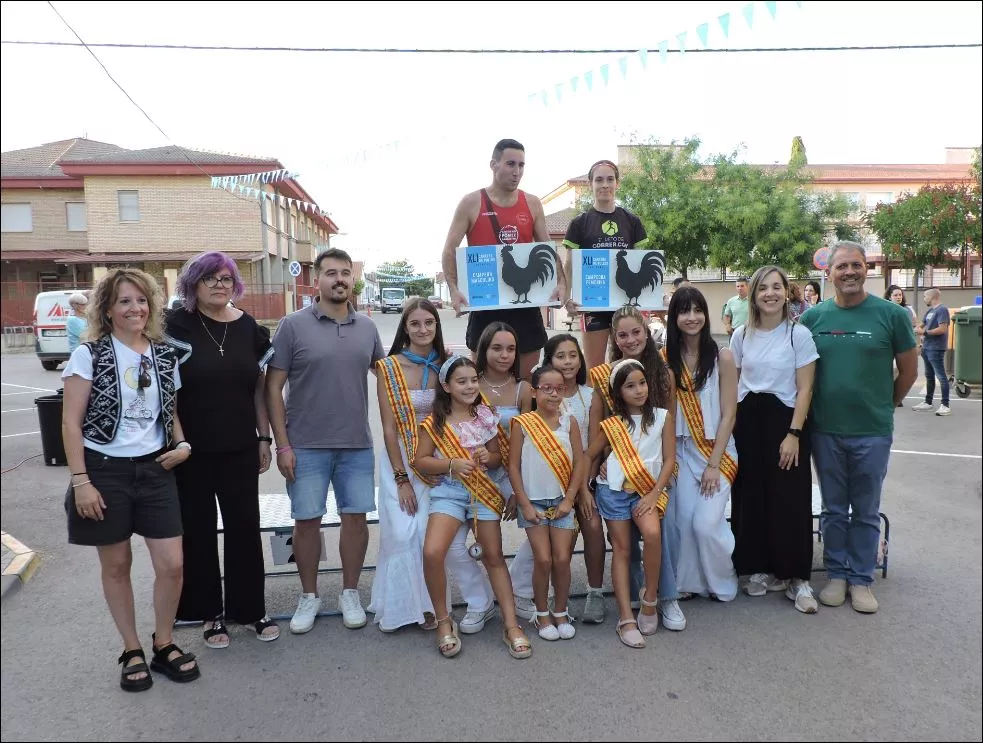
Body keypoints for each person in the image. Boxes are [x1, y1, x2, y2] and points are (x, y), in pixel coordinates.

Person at [61, 268, 198, 692]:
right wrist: (81, 480)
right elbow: (70, 422)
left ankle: (164, 643)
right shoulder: (91, 354)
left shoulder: (163, 353)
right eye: (124, 301)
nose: (134, 308)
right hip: (105, 470)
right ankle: (132, 648)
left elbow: (170, 410)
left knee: (172, 565)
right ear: (108, 308)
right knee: (117, 565)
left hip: (156, 470)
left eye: (141, 300)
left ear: (151, 305)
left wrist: (182, 444)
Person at [266, 248, 385, 634]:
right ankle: (309, 595)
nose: (339, 279)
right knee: (306, 521)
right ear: (316, 280)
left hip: (356, 445)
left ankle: (350, 592)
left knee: (356, 519)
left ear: (353, 280)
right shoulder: (292, 325)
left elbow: (389, 378)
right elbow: (273, 387)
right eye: (331, 273)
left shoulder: (367, 328)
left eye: (345, 273)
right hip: (304, 445)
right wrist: (282, 445)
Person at [164, 251, 279, 648]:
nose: (219, 284)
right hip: (192, 451)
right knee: (198, 531)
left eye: (226, 278)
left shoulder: (249, 328)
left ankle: (250, 610)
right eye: (209, 277)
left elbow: (259, 389)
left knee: (245, 527)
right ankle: (210, 614)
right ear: (193, 284)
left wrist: (264, 438)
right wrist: (178, 439)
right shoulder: (176, 325)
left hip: (240, 447)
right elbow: (169, 393)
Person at [800, 241, 917, 613]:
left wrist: (887, 404)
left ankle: (861, 578)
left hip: (872, 431)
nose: (849, 272)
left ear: (867, 269)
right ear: (829, 273)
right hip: (825, 430)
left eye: (856, 265)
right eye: (841, 267)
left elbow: (909, 371)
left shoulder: (891, 315)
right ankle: (836, 574)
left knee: (866, 509)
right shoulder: (813, 319)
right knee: (834, 508)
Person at [368, 298, 494, 634]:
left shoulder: (447, 365)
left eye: (430, 323)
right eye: (415, 324)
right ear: (404, 328)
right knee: (400, 533)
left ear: (437, 327)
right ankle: (400, 607)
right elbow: (389, 429)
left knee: (426, 536)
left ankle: (429, 609)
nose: (423, 330)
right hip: (402, 464)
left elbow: (471, 409)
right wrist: (401, 479)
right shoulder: (389, 367)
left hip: (442, 461)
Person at [414, 356, 533, 659]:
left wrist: (486, 458)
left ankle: (510, 625)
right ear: (446, 385)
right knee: (432, 552)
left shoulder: (486, 415)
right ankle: (444, 621)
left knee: (494, 555)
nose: (469, 386)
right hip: (450, 492)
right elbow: (421, 460)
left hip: (483, 491)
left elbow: (497, 458)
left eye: (472, 380)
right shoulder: (435, 422)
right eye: (461, 381)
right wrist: (451, 463)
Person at [586, 306, 687, 630]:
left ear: (647, 331)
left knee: (662, 534)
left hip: (654, 471)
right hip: (617, 471)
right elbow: (596, 426)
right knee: (623, 541)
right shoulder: (602, 375)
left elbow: (667, 423)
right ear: (614, 339)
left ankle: (664, 597)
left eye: (636, 332)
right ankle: (630, 600)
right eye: (623, 334)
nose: (631, 340)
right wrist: (599, 465)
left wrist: (661, 478)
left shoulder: (664, 373)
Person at [729, 266, 820, 614]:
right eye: (762, 288)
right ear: (753, 294)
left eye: (776, 287)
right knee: (750, 496)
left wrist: (794, 434)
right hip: (748, 420)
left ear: (787, 292)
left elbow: (805, 388)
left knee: (790, 498)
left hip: (786, 421)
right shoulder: (741, 335)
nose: (770, 293)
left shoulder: (799, 334)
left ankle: (796, 577)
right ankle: (756, 568)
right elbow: (733, 385)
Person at [441, 138, 567, 380]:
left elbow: (547, 248)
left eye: (521, 165)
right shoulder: (471, 202)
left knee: (527, 382)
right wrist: (454, 289)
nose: (517, 171)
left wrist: (560, 283)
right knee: (482, 382)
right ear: (493, 164)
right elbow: (449, 250)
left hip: (525, 304)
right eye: (510, 164)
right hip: (485, 303)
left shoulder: (531, 203)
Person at [584, 359, 675, 648]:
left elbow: (670, 459)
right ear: (618, 393)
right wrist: (585, 489)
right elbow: (589, 456)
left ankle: (649, 598)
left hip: (646, 490)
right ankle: (625, 617)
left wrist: (653, 494)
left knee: (651, 534)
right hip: (612, 491)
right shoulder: (612, 424)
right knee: (622, 549)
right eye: (630, 386)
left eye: (642, 383)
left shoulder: (662, 417)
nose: (639, 390)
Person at [664, 286, 740, 602]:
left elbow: (729, 413)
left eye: (698, 310)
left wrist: (713, 465)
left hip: (717, 452)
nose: (692, 317)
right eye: (684, 311)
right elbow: (664, 416)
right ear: (675, 317)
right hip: (681, 450)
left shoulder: (722, 356)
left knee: (706, 525)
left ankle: (723, 581)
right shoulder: (665, 358)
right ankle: (690, 582)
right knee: (683, 522)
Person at [508, 364, 584, 640]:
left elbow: (579, 462)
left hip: (563, 501)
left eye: (559, 389)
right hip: (534, 502)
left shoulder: (570, 422)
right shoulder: (522, 424)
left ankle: (561, 610)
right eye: (546, 388)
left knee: (562, 559)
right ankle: (542, 613)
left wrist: (571, 499)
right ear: (534, 390)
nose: (553, 394)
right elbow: (513, 467)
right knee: (543, 558)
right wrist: (524, 503)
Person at [562, 159, 649, 369]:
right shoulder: (579, 223)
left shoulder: (632, 221)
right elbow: (570, 265)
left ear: (617, 183)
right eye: (599, 180)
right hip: (593, 305)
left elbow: (642, 264)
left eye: (610, 179)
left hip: (626, 303)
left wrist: (654, 295)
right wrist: (567, 299)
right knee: (596, 370)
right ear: (590, 184)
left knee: (631, 368)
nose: (604, 185)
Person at [913, 288, 951, 417]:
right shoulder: (930, 311)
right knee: (929, 376)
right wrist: (915, 329)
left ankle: (945, 405)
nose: (924, 299)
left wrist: (924, 332)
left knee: (941, 377)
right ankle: (928, 402)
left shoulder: (942, 310)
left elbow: (942, 329)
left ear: (932, 297)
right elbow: (922, 325)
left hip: (936, 348)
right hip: (926, 347)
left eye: (925, 296)